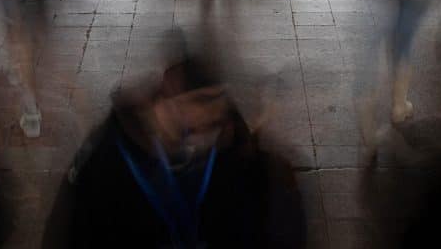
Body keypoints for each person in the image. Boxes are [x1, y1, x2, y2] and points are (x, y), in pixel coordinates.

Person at [52, 56, 306, 247]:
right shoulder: (107, 161)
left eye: (217, 106)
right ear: (167, 98)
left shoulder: (234, 146)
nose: (211, 118)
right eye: (201, 103)